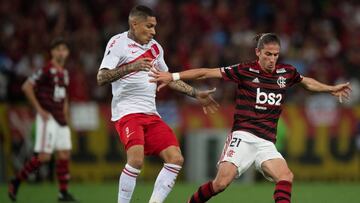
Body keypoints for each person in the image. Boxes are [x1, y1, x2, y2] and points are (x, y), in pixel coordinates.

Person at [149, 33, 352, 203]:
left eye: (276, 55)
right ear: (258, 52)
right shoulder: (245, 70)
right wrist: (173, 76)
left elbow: (306, 82)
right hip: (243, 136)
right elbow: (206, 73)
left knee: (286, 176)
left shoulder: (286, 72)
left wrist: (330, 88)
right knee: (220, 183)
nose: (272, 59)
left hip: (266, 142)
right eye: (268, 54)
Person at [96, 5, 218, 203]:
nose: (153, 32)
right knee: (135, 160)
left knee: (176, 158)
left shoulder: (155, 48)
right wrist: (132, 66)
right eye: (149, 26)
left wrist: (196, 94)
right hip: (127, 113)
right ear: (134, 24)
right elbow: (101, 77)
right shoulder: (118, 43)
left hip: (151, 115)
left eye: (154, 27)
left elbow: (168, 78)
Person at [8, 38, 78, 202]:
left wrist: (66, 115)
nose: (62, 52)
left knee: (64, 154)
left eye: (64, 50)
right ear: (52, 52)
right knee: (44, 157)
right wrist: (39, 109)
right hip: (48, 117)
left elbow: (65, 96)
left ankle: (63, 193)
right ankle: (16, 180)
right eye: (58, 49)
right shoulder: (47, 69)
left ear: (67, 53)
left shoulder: (65, 72)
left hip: (61, 119)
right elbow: (27, 86)